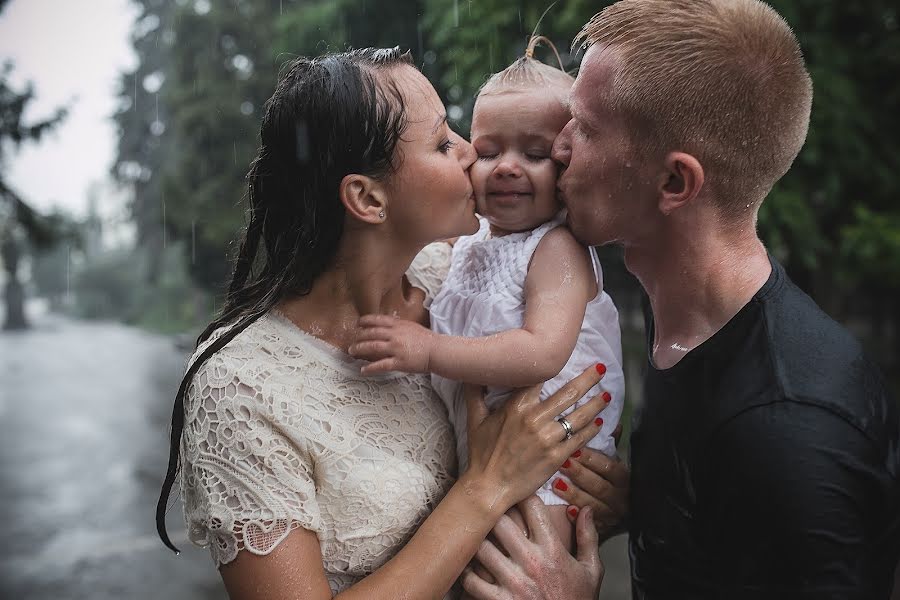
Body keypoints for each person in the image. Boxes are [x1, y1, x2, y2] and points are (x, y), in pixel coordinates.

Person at [462, 1, 900, 598]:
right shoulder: (681, 329)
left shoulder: (789, 431)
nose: (557, 146)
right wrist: (641, 513)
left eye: (585, 127)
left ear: (674, 183)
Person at [154, 47, 617, 600]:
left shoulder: (458, 272)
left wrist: (609, 503)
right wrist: (486, 487)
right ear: (368, 198)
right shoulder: (242, 389)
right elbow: (497, 473)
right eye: (445, 142)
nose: (474, 153)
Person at [349, 35, 625, 552]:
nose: (506, 167)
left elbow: (541, 352)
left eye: (535, 153)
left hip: (552, 472)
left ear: (565, 167)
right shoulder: (472, 240)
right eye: (489, 150)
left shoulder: (556, 248)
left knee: (522, 576)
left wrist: (429, 349)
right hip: (491, 457)